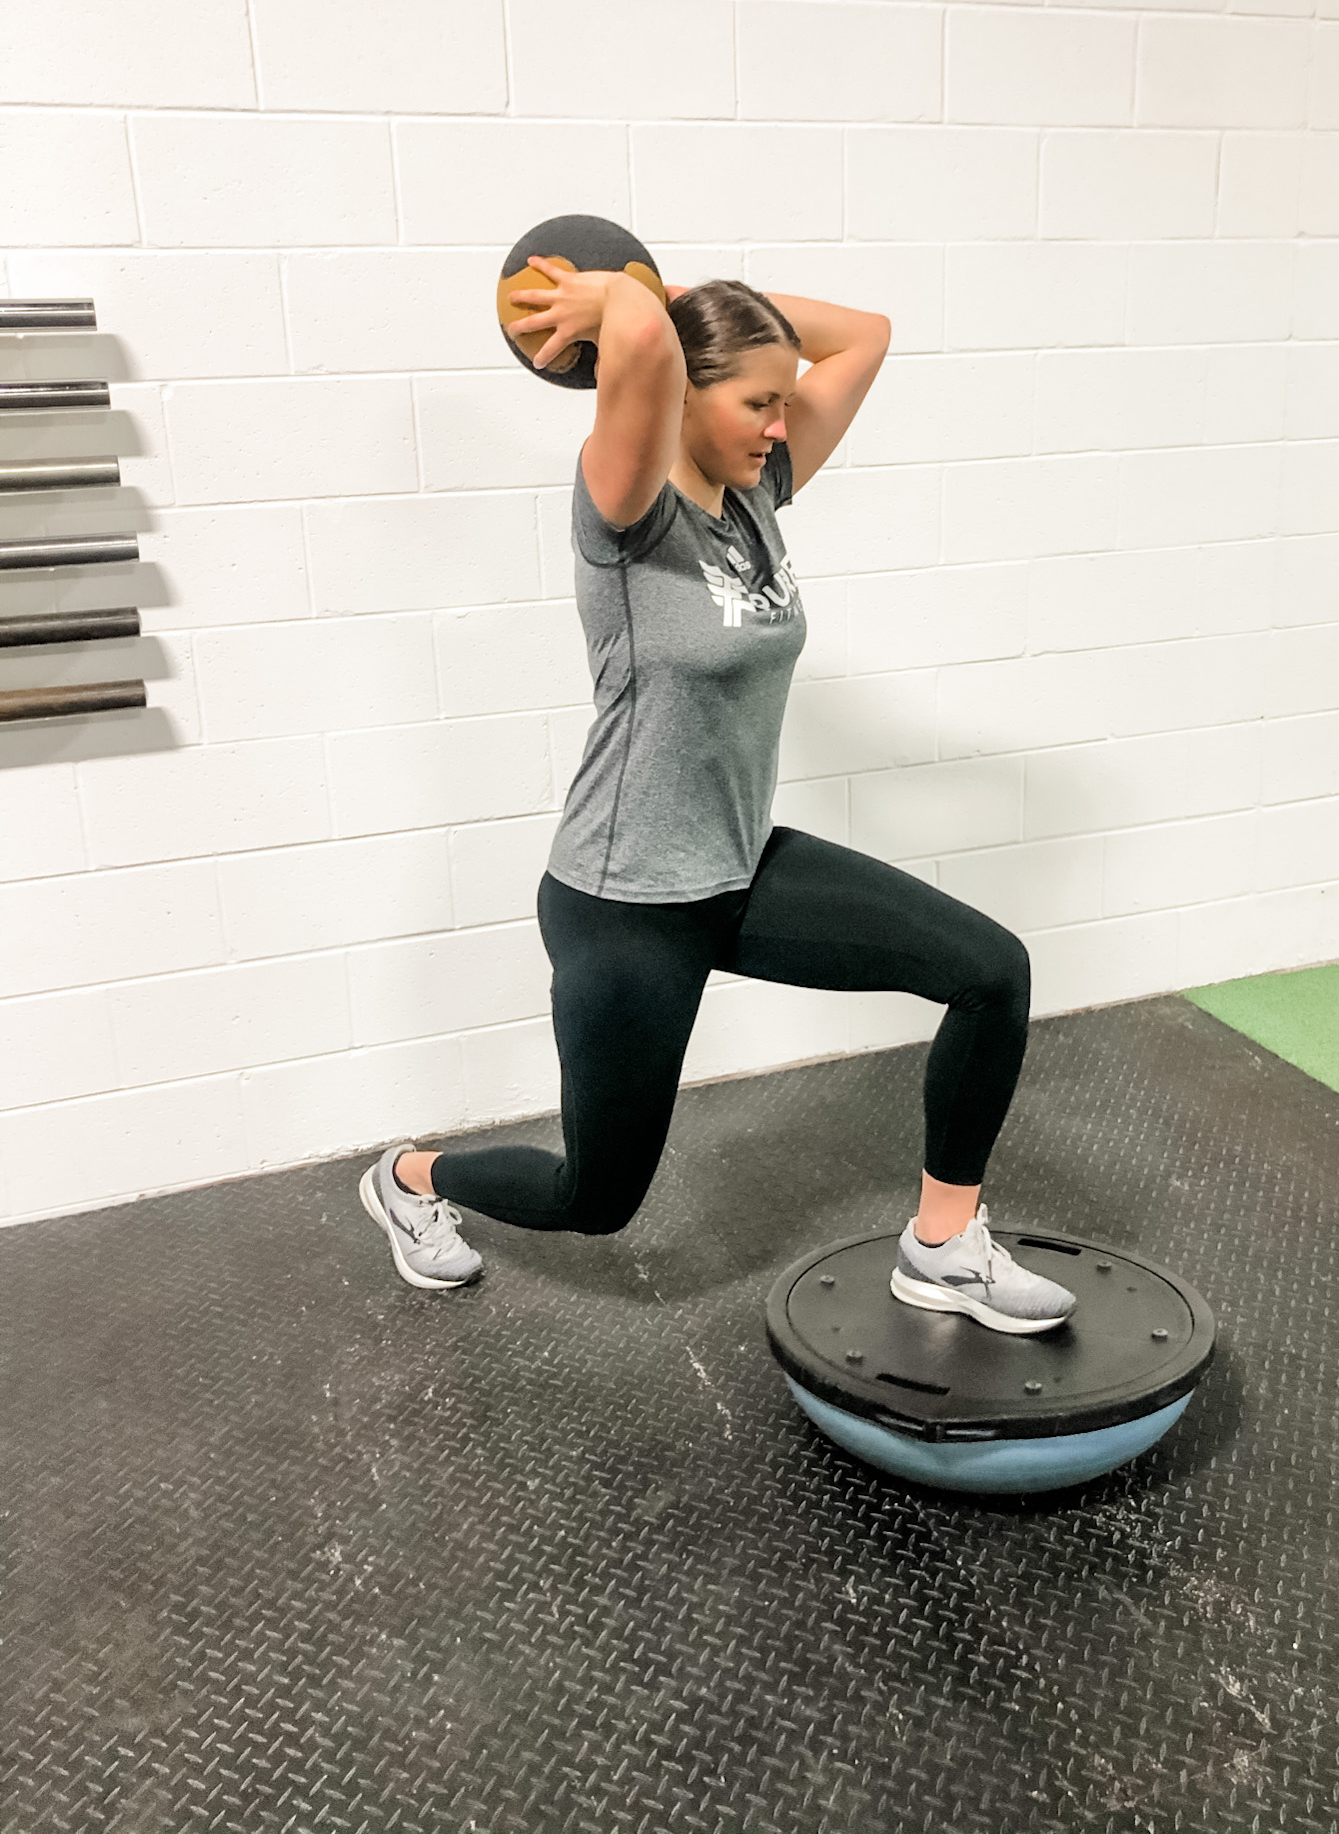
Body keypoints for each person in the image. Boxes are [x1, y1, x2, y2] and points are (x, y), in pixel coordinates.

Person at [359, 262, 1075, 1337]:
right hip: (624, 899)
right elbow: (643, 350)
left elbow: (865, 334)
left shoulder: (756, 493)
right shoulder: (626, 513)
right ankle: (409, 1176)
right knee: (592, 1199)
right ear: (684, 397)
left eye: (782, 399)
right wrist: (621, 293)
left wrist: (682, 292)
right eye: (755, 401)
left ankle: (942, 1246)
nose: (780, 421)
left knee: (989, 972)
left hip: (738, 872)